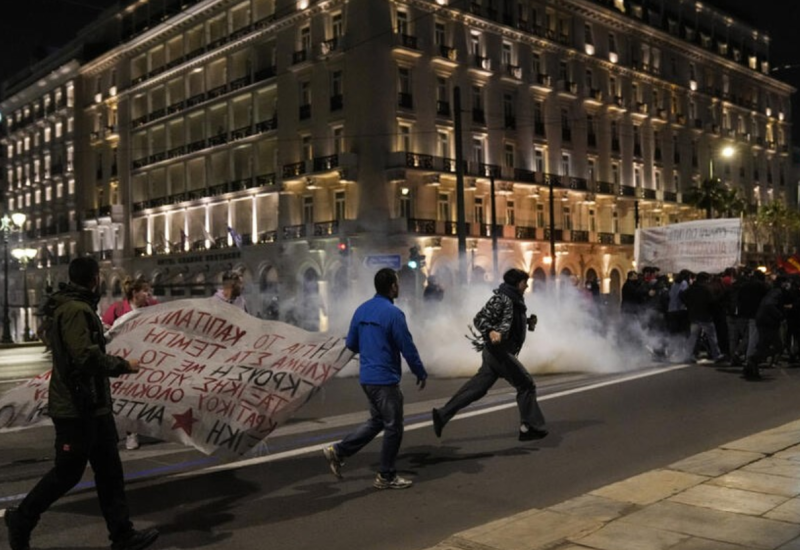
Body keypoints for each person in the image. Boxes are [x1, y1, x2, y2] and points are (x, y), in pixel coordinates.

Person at [4, 257, 159, 550]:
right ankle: (21, 518)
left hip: (93, 405)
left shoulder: (78, 305)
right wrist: (124, 364)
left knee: (110, 472)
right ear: (94, 278)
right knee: (67, 473)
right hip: (77, 408)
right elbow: (84, 357)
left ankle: (122, 534)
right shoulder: (76, 309)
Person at [322, 268, 427, 490]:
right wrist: (420, 371)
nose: (398, 287)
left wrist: (371, 344)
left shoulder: (361, 310)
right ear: (392, 286)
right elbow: (406, 346)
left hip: (367, 378)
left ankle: (339, 451)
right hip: (384, 379)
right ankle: (386, 475)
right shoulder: (393, 314)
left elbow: (351, 344)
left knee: (378, 421)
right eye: (397, 283)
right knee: (393, 427)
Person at [431, 268, 547, 442]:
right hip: (499, 353)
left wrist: (528, 322)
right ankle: (528, 427)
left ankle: (442, 415)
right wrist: (491, 331)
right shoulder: (502, 298)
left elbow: (509, 323)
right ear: (517, 283)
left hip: (497, 353)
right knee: (526, 385)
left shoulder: (515, 300)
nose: (527, 285)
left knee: (476, 389)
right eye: (524, 282)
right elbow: (480, 319)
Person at [101, 278, 158, 451]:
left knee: (144, 394)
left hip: (146, 356)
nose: (148, 295)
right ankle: (131, 433)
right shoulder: (118, 309)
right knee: (128, 396)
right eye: (145, 291)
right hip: (124, 358)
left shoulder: (153, 305)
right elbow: (105, 328)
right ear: (134, 293)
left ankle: (142, 427)